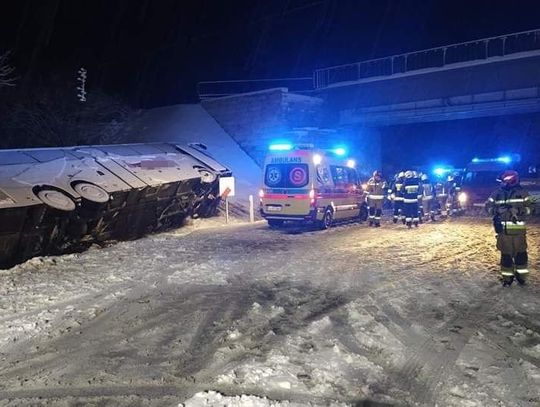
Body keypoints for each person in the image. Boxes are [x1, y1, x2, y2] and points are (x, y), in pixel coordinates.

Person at [485, 170, 532, 286]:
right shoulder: (496, 194)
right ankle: (507, 279)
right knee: (506, 256)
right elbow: (487, 207)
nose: (506, 182)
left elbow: (531, 209)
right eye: (505, 180)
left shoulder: (523, 193)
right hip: (503, 232)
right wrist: (497, 211)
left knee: (521, 255)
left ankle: (521, 277)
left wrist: (519, 211)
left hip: (518, 232)